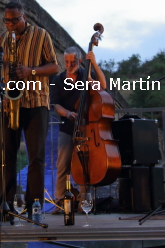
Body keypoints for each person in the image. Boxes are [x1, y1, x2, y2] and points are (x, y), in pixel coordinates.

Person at [0, 1, 58, 214]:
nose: (10, 24)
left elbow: (55, 66)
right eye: (7, 21)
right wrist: (0, 81)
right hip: (10, 103)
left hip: (36, 102)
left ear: (24, 17)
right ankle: (5, 204)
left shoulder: (41, 35)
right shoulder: (1, 40)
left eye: (15, 20)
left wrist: (31, 71)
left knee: (36, 156)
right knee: (6, 155)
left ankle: (33, 204)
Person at [50, 47, 107, 213]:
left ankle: (84, 202)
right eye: (66, 62)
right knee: (63, 164)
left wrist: (94, 63)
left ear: (79, 61)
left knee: (84, 164)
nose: (69, 65)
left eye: (72, 62)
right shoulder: (58, 80)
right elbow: (56, 105)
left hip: (87, 127)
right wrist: (67, 113)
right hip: (67, 127)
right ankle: (60, 200)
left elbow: (102, 85)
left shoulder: (86, 76)